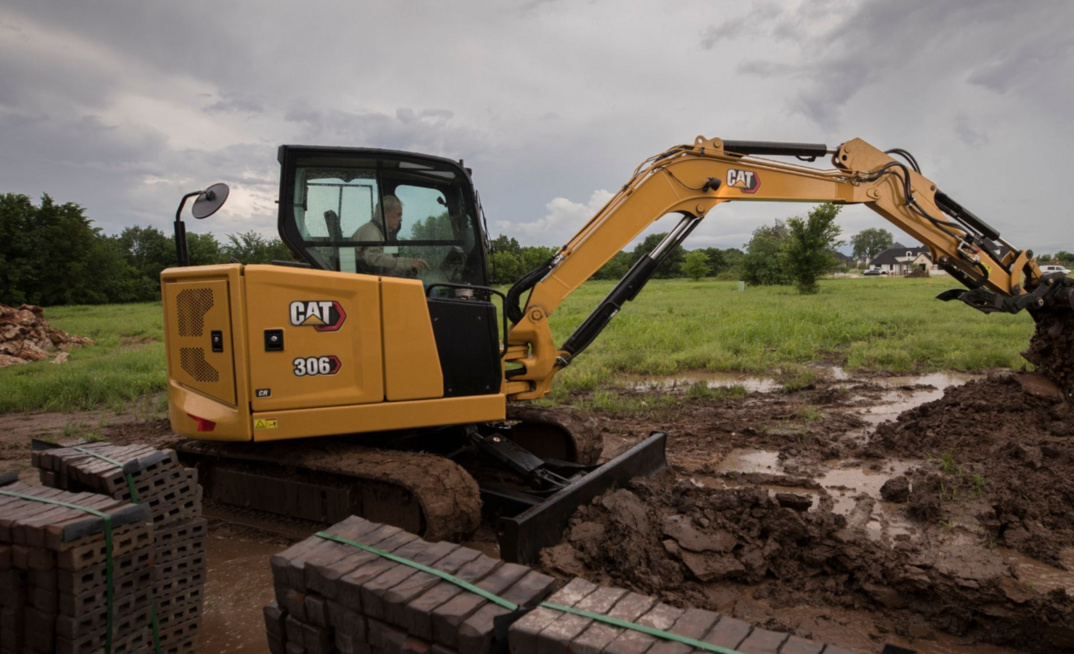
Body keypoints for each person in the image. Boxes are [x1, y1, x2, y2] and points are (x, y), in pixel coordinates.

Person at [353, 195, 429, 276]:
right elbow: (374, 259)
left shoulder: (383, 234)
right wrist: (408, 263)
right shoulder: (370, 232)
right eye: (398, 214)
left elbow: (388, 263)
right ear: (385, 212)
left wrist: (406, 269)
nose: (401, 219)